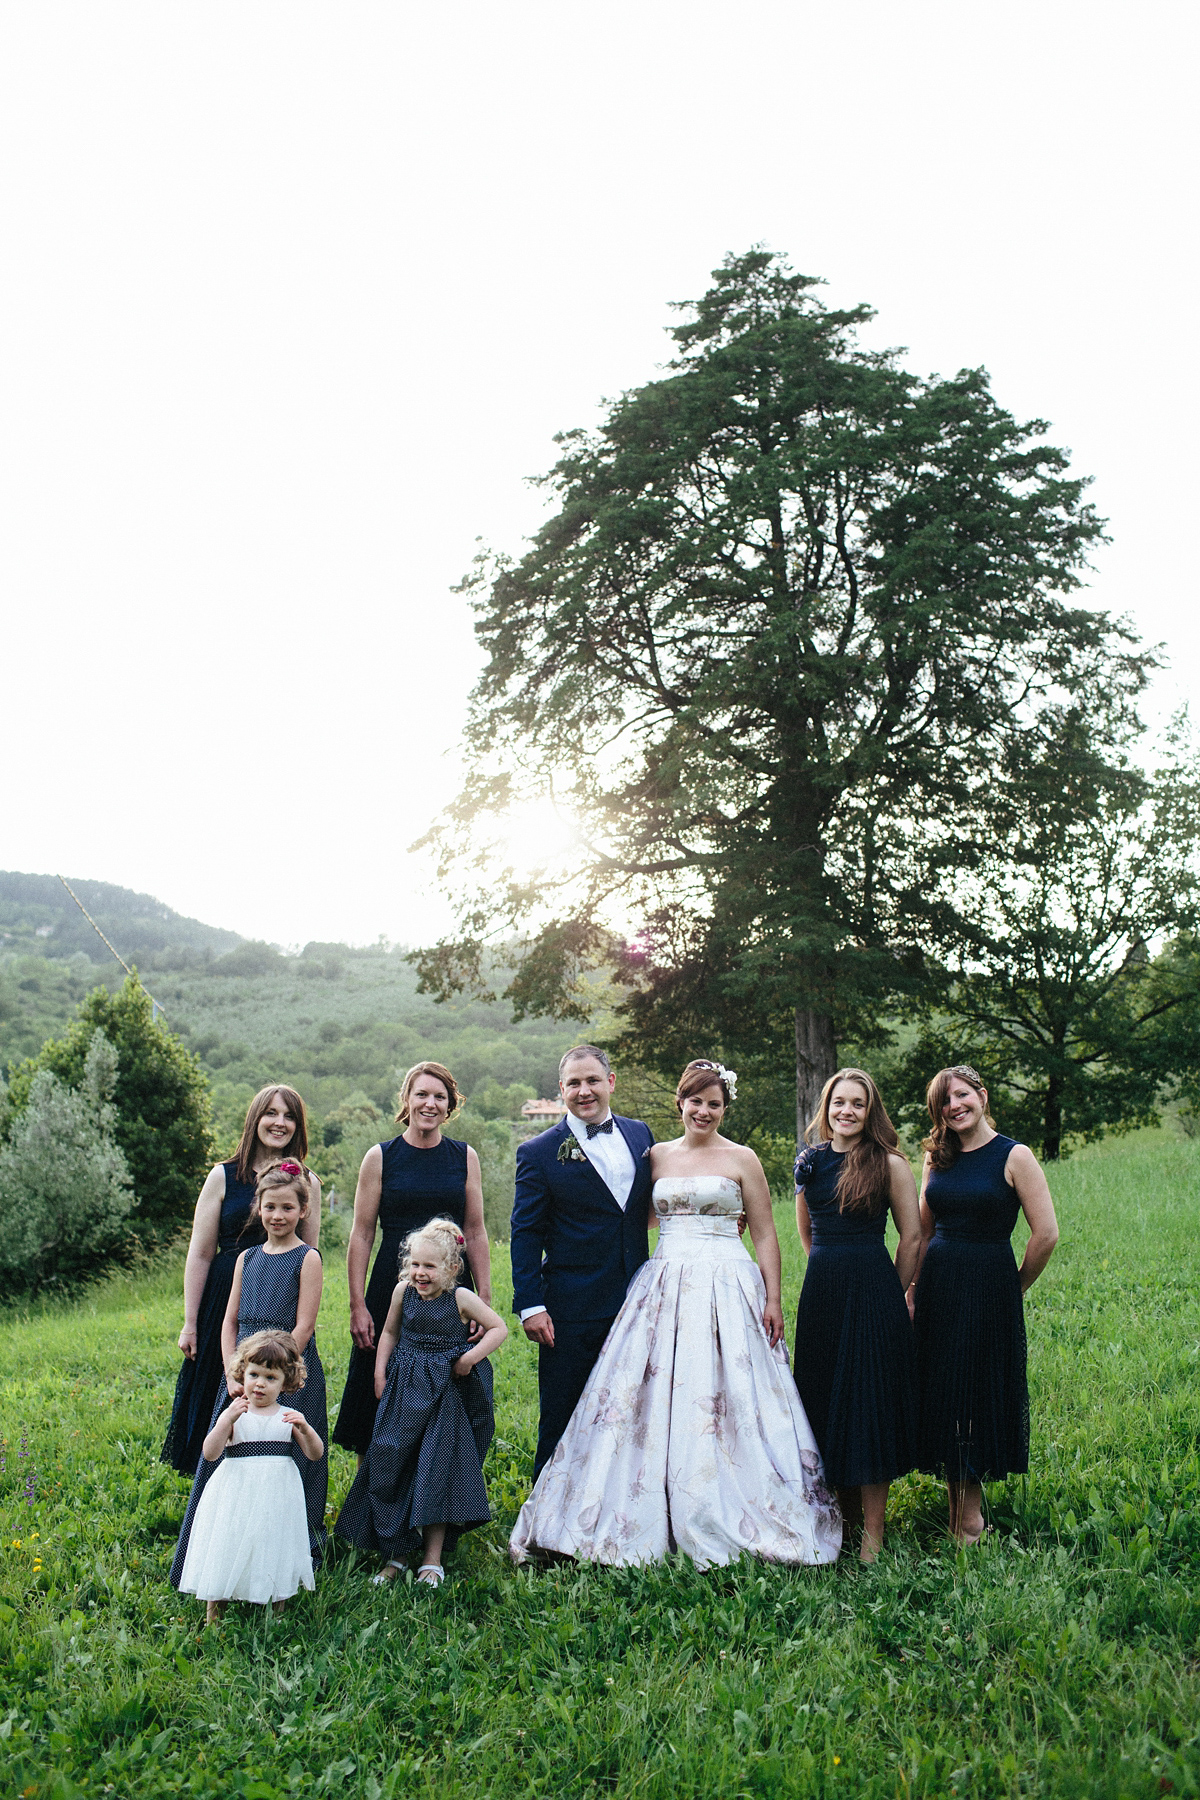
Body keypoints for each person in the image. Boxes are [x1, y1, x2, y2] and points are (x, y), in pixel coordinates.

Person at [510, 1060, 842, 1569]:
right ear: (680, 1104)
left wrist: (773, 1297)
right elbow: (633, 1213)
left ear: (725, 1107)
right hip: (662, 1283)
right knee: (638, 1397)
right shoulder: (655, 1154)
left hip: (729, 1282)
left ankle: (735, 1502)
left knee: (731, 1395)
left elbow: (765, 1233)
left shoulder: (742, 1158)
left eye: (714, 1103)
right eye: (695, 1101)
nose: (704, 1111)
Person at [908, 1065, 1059, 1545]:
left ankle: (969, 1521)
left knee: (974, 1394)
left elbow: (1046, 1233)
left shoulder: (1014, 1156)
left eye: (961, 1095)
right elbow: (924, 1229)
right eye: (944, 1103)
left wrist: (1014, 1285)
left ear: (982, 1095)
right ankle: (957, 1512)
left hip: (989, 1284)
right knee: (945, 1393)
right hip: (938, 1286)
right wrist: (911, 1288)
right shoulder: (937, 1158)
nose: (954, 1106)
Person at [170, 1161, 328, 1586]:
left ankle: (294, 1553)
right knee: (230, 1457)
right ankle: (215, 1547)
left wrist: (277, 1373)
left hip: (286, 1372)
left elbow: (304, 1325)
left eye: (287, 1208)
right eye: (270, 1207)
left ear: (303, 1210)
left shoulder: (307, 1258)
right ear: (258, 1208)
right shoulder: (246, 1257)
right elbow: (230, 1320)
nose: (278, 1216)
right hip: (244, 1373)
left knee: (290, 1458)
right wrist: (233, 1372)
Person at [335, 1218, 507, 1586]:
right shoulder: (402, 1292)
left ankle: (431, 1560)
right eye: (414, 1264)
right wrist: (380, 1373)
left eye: (429, 1266)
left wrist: (470, 1358)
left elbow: (499, 1328)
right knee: (392, 1463)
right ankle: (395, 1555)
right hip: (403, 1392)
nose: (420, 1272)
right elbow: (390, 1333)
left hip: (445, 1397)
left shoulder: (460, 1299)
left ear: (451, 1268)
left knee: (435, 1471)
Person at [333, 1063, 491, 1464]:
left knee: (444, 1388)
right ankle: (379, 1497)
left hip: (450, 1288)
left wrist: (483, 1299)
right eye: (421, 1094)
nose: (430, 1103)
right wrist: (358, 1304)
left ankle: (438, 1488)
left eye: (439, 1097)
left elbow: (474, 1230)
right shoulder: (381, 1157)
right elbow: (362, 1233)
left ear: (449, 1106)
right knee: (382, 1386)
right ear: (406, 1099)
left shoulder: (464, 1156)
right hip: (392, 1284)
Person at [793, 1068, 921, 1562]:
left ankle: (872, 1533)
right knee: (825, 1402)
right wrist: (826, 1269)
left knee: (868, 1405)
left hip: (874, 1289)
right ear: (825, 1107)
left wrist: (891, 1289)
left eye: (858, 1104)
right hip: (823, 1292)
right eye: (838, 1102)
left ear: (871, 1112)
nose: (846, 1111)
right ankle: (839, 1522)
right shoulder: (809, 1162)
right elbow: (805, 1230)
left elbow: (911, 1236)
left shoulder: (890, 1164)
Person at [510, 1045, 654, 1481]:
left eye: (592, 1080)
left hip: (638, 1297)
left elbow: (655, 1201)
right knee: (564, 1412)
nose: (584, 1090)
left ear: (611, 1082)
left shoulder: (640, 1134)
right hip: (570, 1306)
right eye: (574, 1083)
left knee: (632, 1409)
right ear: (561, 1091)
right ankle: (547, 1528)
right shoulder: (538, 1151)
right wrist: (531, 1304)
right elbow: (525, 1232)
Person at [161, 1085, 320, 1475]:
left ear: (298, 1126)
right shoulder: (222, 1176)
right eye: (271, 1113)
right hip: (226, 1301)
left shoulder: (307, 1182)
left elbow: (309, 1254)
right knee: (221, 1395)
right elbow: (200, 1252)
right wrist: (190, 1321)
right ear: (255, 1119)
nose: (279, 1122)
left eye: (289, 1116)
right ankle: (210, 1488)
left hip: (280, 1304)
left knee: (271, 1399)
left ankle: (272, 1480)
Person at [176, 1330, 323, 1626]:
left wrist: (306, 1429)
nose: (260, 1384)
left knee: (275, 1540)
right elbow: (209, 1452)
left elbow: (315, 1454)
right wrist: (226, 1421)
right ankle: (214, 1611)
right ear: (242, 1374)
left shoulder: (288, 1416)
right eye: (254, 1374)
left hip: (277, 1492)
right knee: (228, 1540)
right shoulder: (234, 1413)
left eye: (271, 1378)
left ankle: (277, 1607)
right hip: (237, 1490)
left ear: (286, 1383)